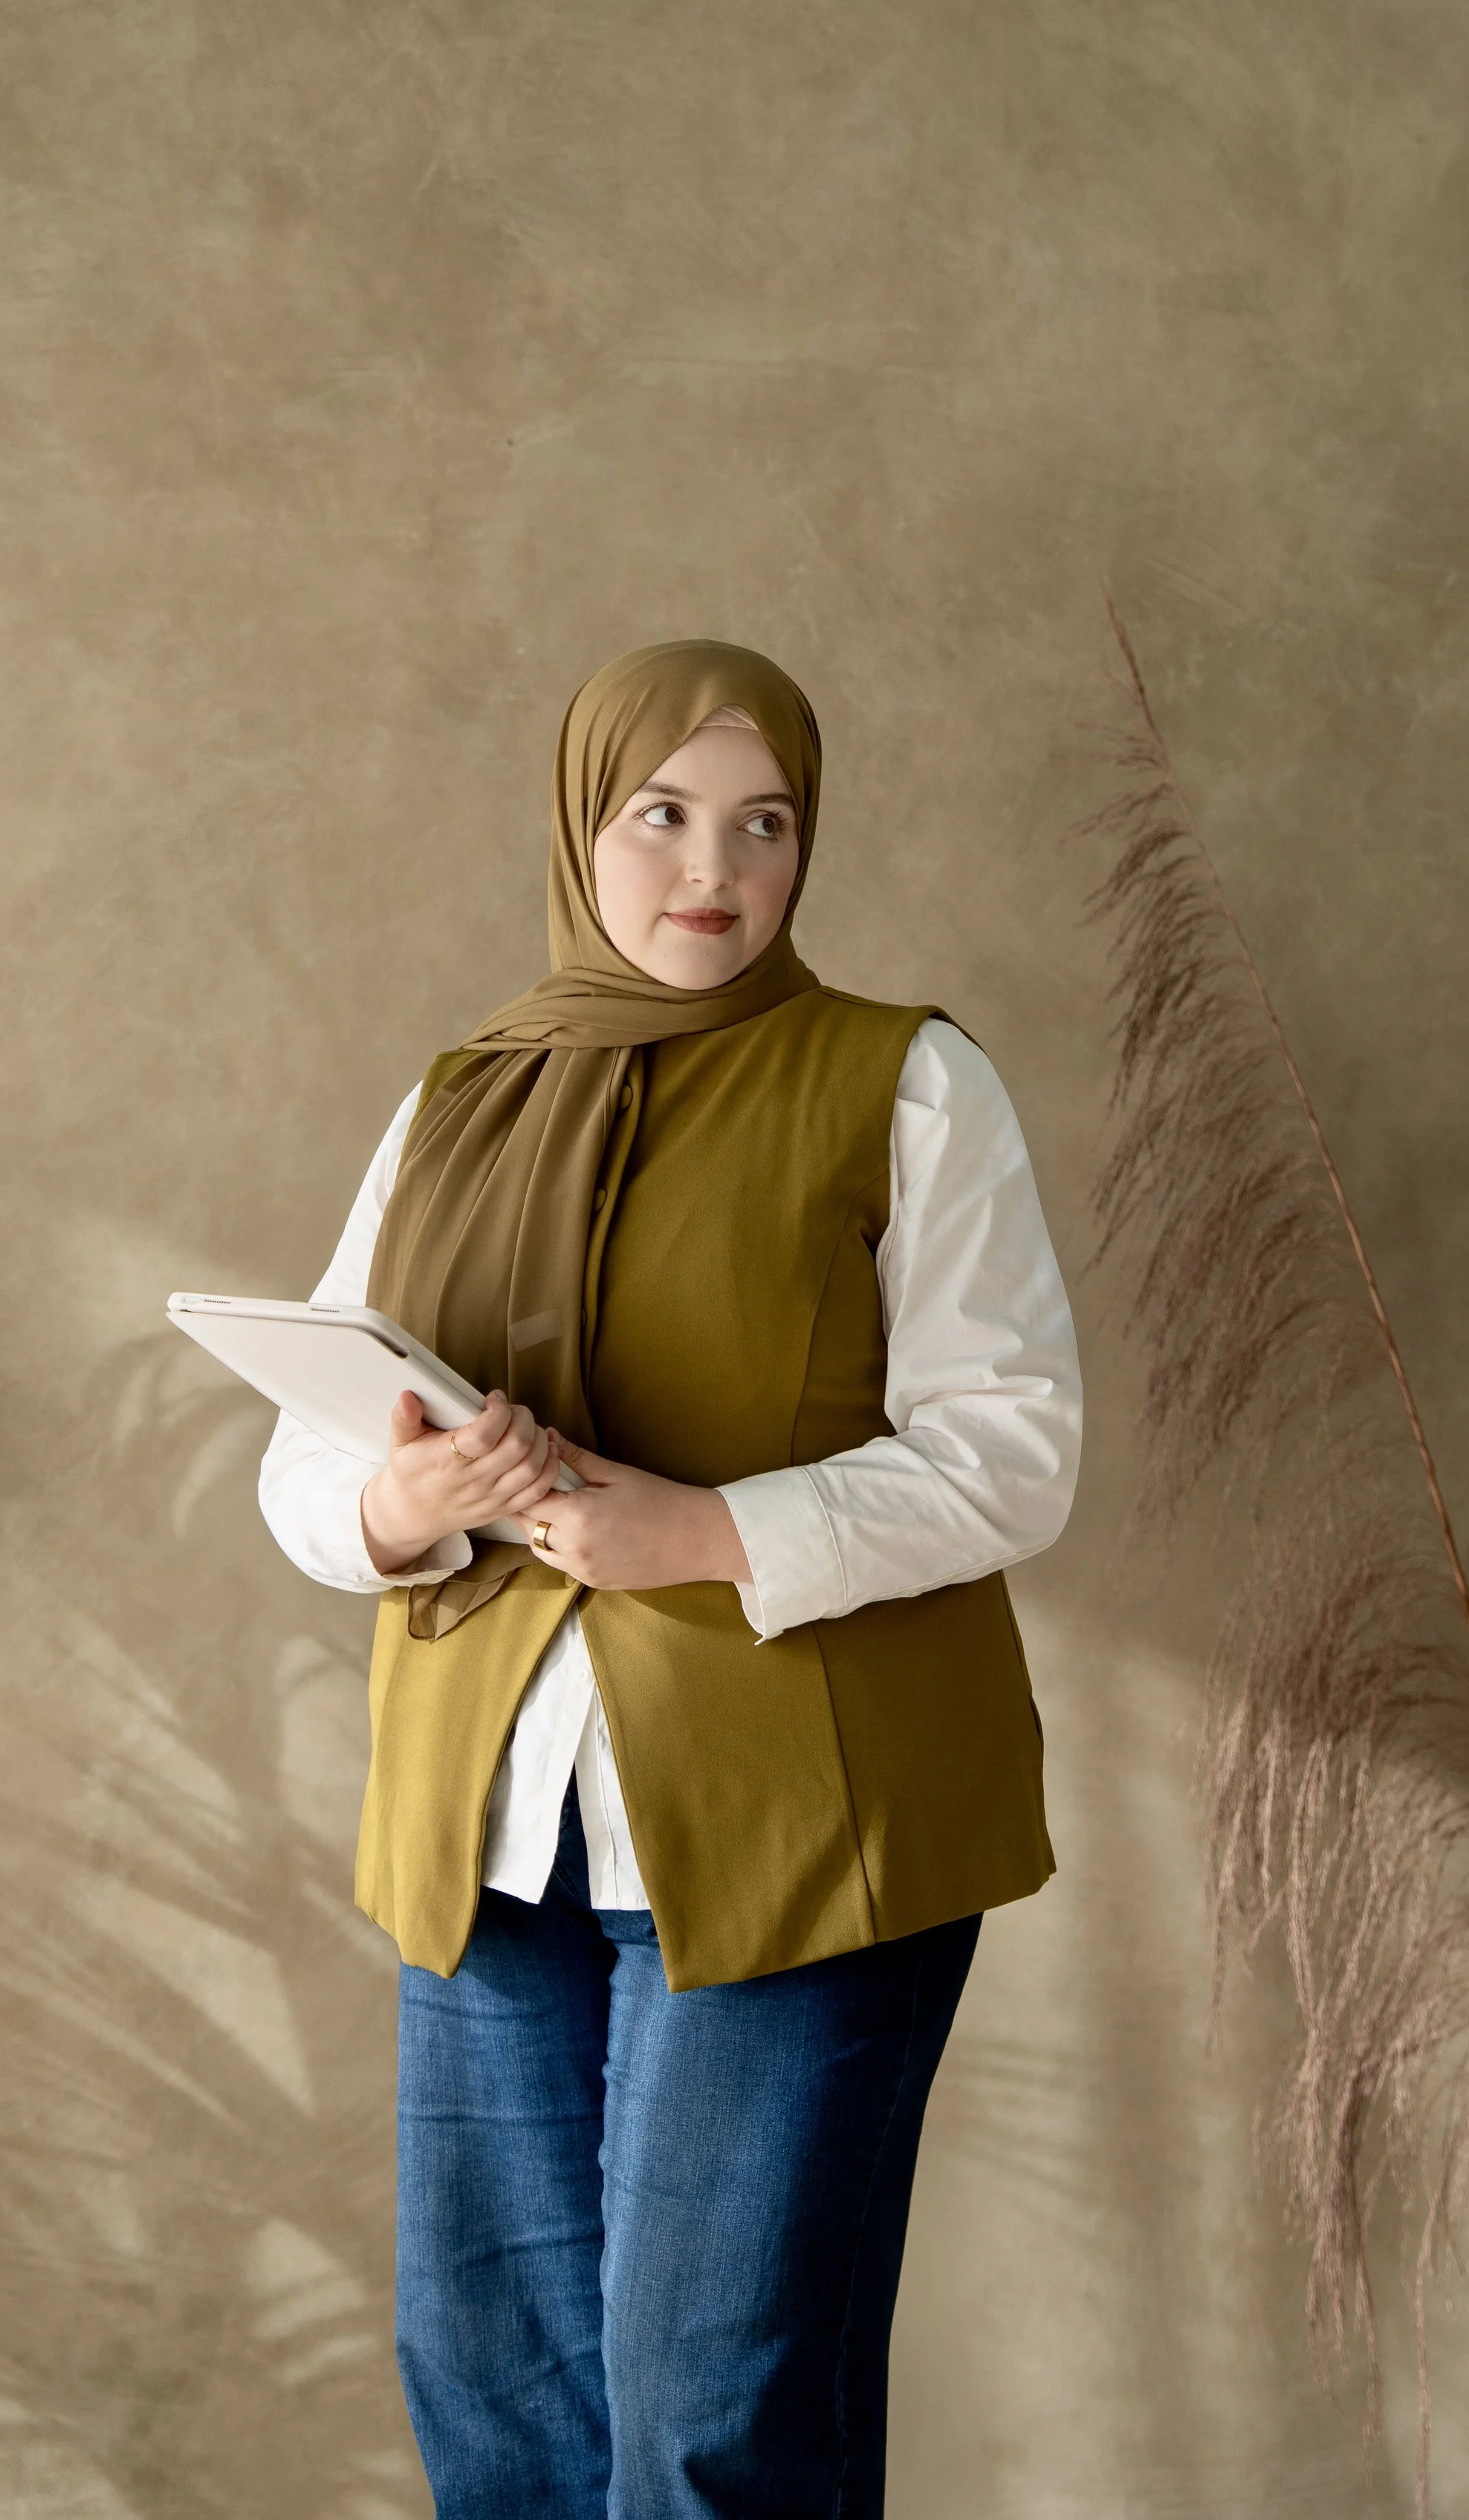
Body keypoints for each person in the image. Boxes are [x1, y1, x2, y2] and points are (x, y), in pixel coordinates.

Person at [259, 639, 1081, 2520]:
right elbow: (306, 1457)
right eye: (661, 814)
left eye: (762, 823)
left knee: (714, 2429)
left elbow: (1015, 1448)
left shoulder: (903, 1081)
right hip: (488, 1843)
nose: (714, 867)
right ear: (580, 828)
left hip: (799, 1834)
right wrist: (401, 1504)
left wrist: (703, 1534)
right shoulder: (457, 1099)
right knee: (497, 2412)